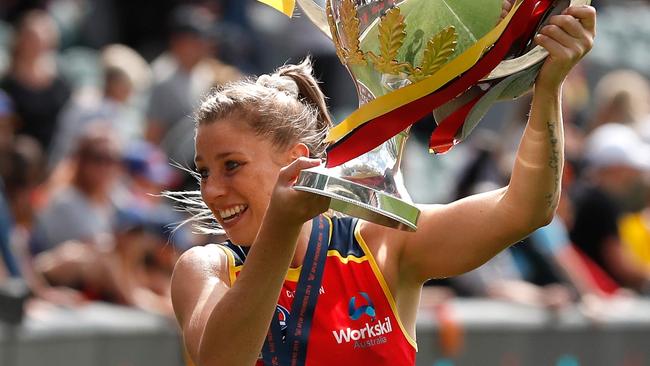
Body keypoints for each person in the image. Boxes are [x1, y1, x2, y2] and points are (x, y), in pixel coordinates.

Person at [170, 5, 596, 366]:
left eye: (231, 166)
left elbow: (524, 209)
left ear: (296, 161)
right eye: (204, 170)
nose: (212, 189)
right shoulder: (205, 268)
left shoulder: (379, 245)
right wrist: (281, 225)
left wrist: (547, 85)